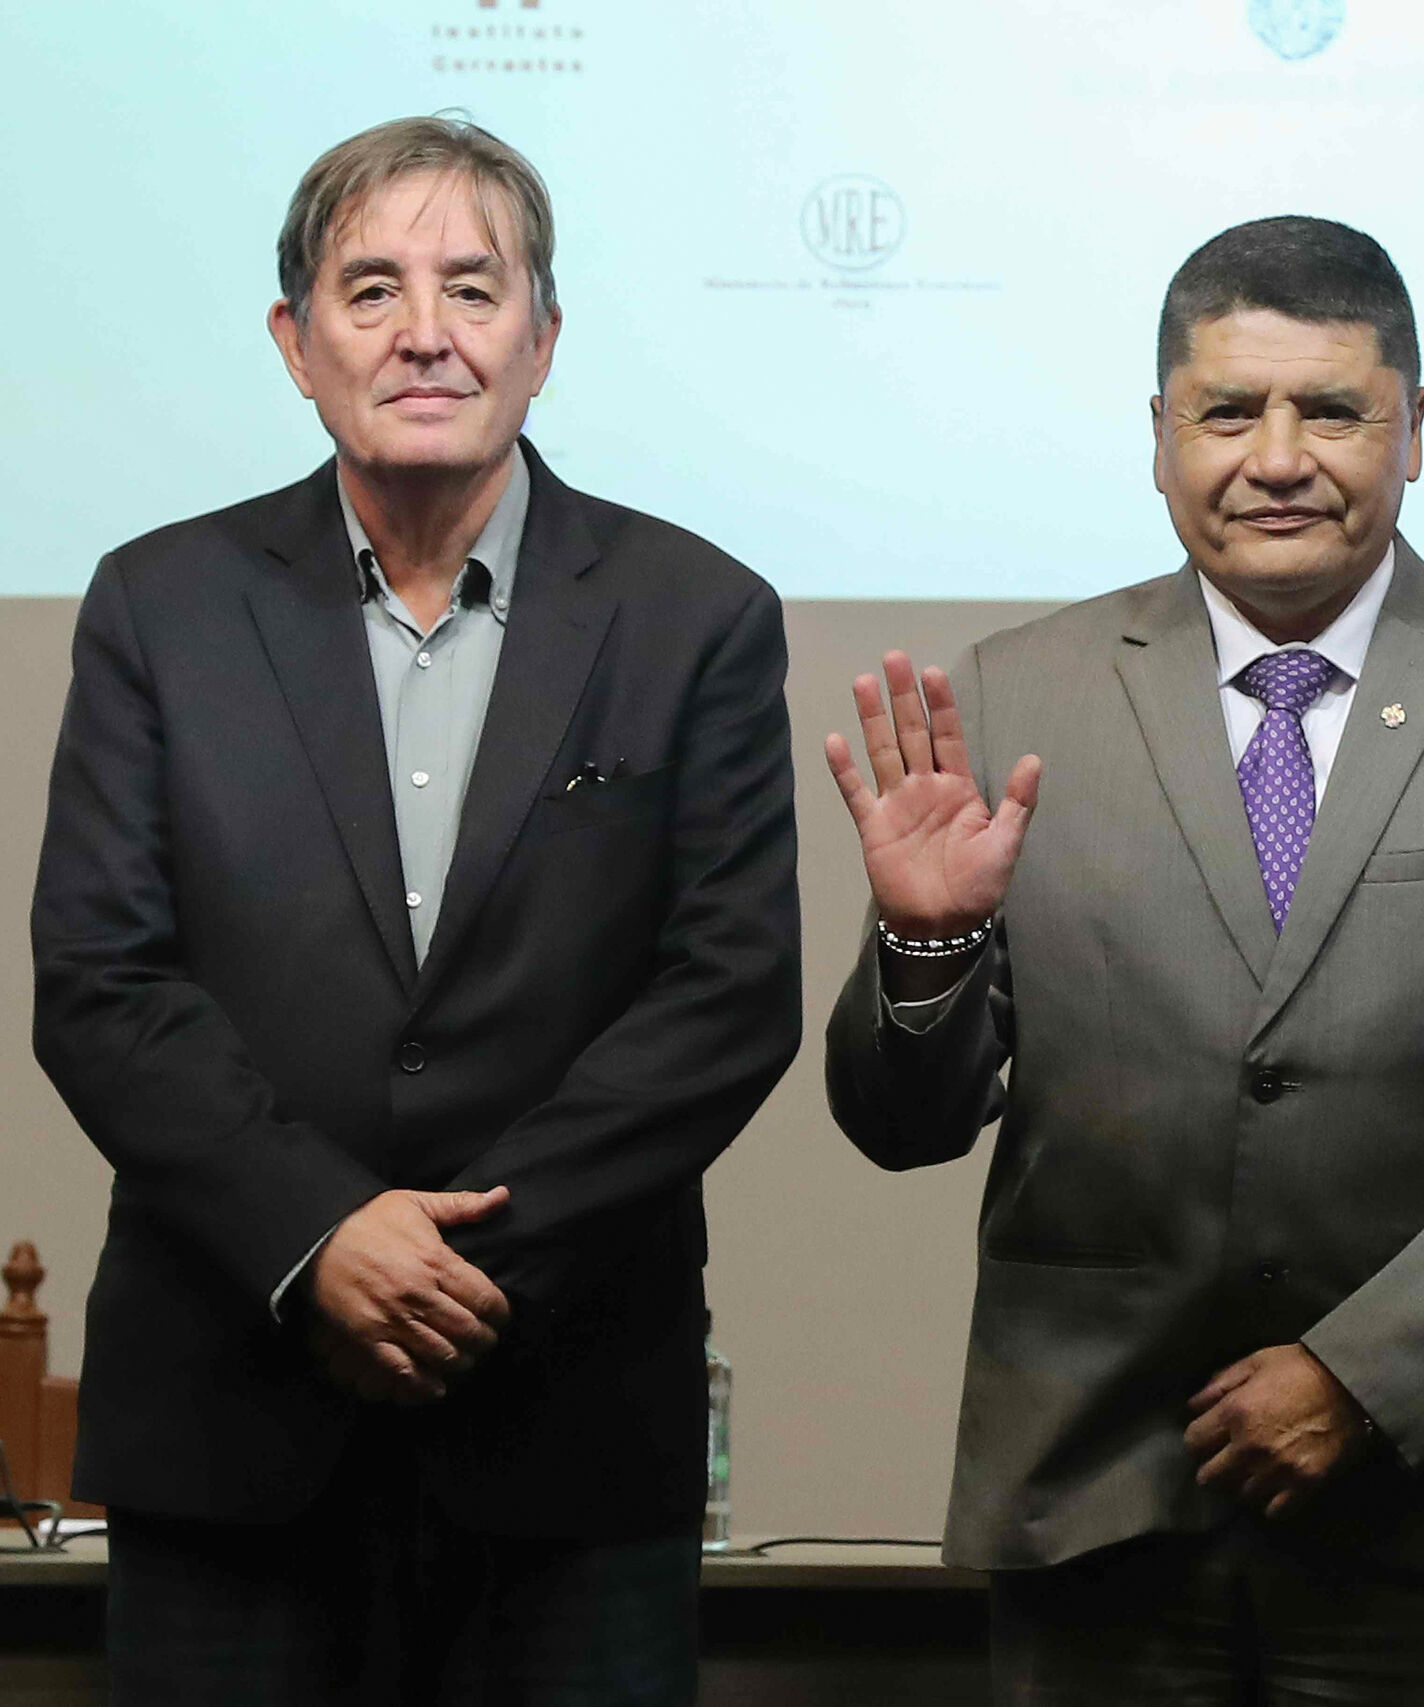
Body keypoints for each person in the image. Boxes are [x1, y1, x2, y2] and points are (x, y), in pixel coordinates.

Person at [822, 215, 1424, 1704]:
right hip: (1099, 1493)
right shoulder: (1016, 694)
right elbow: (900, 1124)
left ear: (1413, 429)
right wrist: (927, 942)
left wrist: (1364, 1373)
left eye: (1333, 412)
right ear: (1159, 436)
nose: (1279, 458)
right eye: (1229, 411)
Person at [31, 116, 800, 1702]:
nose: (426, 333)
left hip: (568, 1433)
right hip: (232, 1424)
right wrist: (318, 1235)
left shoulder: (695, 614)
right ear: (295, 342)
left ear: (544, 339)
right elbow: (103, 981)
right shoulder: (159, 605)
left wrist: (460, 1271)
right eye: (372, 288)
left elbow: (726, 995)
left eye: (473, 287)